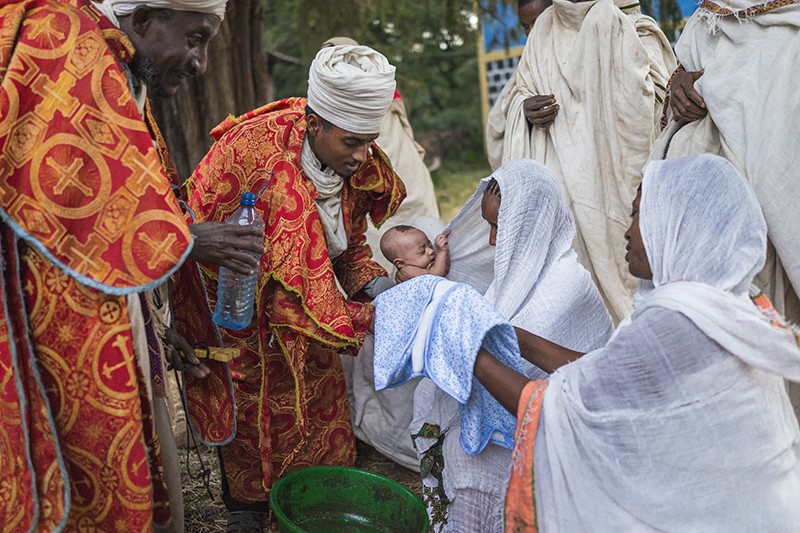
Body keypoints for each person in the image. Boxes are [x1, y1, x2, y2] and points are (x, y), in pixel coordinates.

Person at [0, 0, 255, 530]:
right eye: (196, 38)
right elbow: (60, 231)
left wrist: (156, 336)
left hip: (115, 333)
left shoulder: (112, 67)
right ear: (141, 20)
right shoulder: (64, 44)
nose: (200, 63)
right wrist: (187, 239)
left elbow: (95, 237)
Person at [472, 154, 800, 531]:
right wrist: (516, 340)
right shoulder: (724, 300)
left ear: (676, 226)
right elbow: (607, 371)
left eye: (639, 215)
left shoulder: (678, 320)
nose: (628, 231)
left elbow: (556, 409)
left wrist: (473, 353)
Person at [175, 44, 405, 531]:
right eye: (351, 143)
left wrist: (388, 292)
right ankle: (248, 511)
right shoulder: (251, 154)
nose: (363, 156)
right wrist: (376, 318)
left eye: (369, 141)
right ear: (314, 124)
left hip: (310, 317)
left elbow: (351, 251)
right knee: (252, 419)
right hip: (237, 312)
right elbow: (190, 235)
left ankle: (314, 505)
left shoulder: (356, 163)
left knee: (318, 414)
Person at [410, 159, 613, 532]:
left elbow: (525, 390)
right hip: (519, 420)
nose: (490, 240)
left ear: (529, 225)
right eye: (488, 226)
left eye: (498, 227)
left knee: (472, 456)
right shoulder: (516, 279)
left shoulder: (565, 290)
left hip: (549, 446)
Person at [650, 0, 800, 419]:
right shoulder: (703, 22)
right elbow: (678, 96)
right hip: (704, 240)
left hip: (771, 241)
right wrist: (677, 85)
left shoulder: (791, 24)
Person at [486, 0, 676, 324]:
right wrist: (524, 109)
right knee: (575, 293)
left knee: (631, 285)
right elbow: (518, 96)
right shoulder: (543, 34)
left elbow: (661, 107)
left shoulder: (634, 30)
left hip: (618, 194)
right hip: (565, 205)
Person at [486, 0, 552, 171]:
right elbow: (497, 119)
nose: (531, 32)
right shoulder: (528, 62)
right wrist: (523, 109)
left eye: (537, 22)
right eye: (525, 26)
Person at [380, 225, 450, 282]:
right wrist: (441, 252)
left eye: (430, 245)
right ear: (400, 263)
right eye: (422, 251)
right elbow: (435, 276)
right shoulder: (407, 270)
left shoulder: (423, 264)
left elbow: (444, 269)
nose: (431, 251)